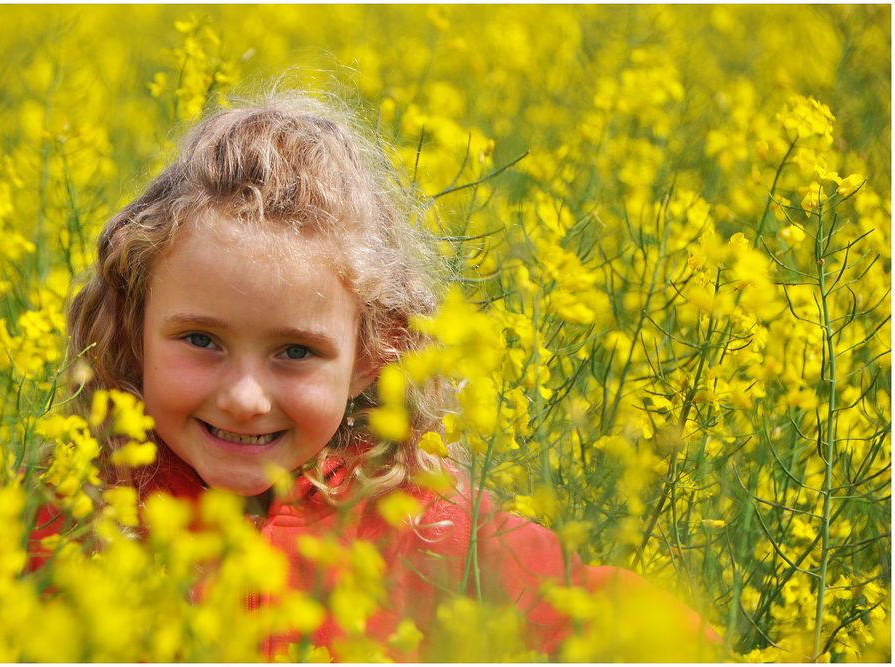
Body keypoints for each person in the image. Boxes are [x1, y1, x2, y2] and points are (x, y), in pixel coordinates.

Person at [61, 90, 719, 661]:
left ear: (374, 352)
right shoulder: (73, 519)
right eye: (201, 339)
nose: (242, 396)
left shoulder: (434, 534)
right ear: (134, 328)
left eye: (295, 352)